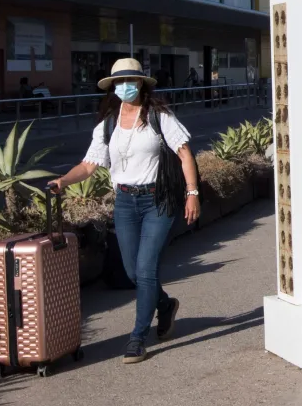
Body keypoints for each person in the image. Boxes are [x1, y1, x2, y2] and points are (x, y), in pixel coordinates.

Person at [47, 58, 201, 364]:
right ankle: (165, 305)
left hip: (158, 201)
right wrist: (63, 180)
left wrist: (192, 193)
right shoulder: (107, 124)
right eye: (118, 83)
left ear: (141, 83)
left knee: (145, 269)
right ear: (112, 87)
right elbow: (89, 164)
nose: (125, 87)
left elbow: (184, 154)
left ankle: (137, 337)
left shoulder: (159, 116)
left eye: (130, 81)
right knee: (133, 272)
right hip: (125, 202)